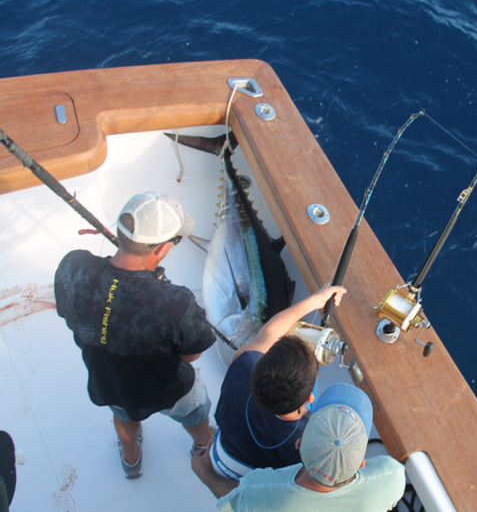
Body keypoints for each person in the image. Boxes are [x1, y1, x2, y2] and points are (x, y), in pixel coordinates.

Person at [54, 191, 217, 479]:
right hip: (170, 389)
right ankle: (203, 444)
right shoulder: (176, 302)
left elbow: (68, 313)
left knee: (123, 416)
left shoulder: (73, 267)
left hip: (110, 383)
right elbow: (191, 355)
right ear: (162, 249)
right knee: (195, 412)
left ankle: (131, 459)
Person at [193, 383, 406, 512]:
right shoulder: (391, 476)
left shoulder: (256, 489)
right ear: (361, 464)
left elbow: (236, 503)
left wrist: (206, 473)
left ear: (299, 443)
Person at [210, 284, 346, 480]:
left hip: (220, 457)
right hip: (250, 478)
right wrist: (316, 300)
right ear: (310, 397)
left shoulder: (244, 364)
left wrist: (316, 300)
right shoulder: (308, 438)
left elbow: (269, 333)